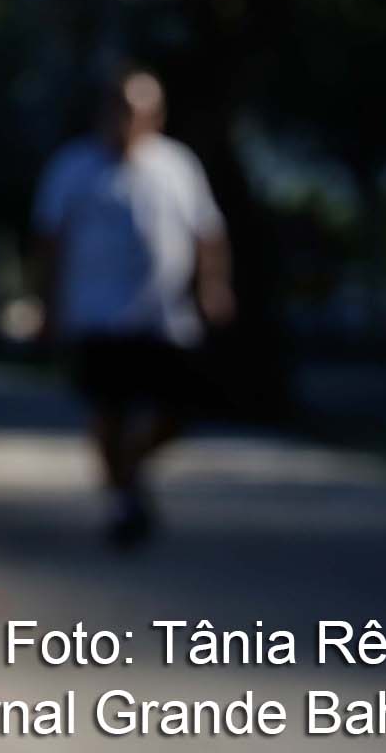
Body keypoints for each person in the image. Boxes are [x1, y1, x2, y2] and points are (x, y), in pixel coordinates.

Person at [32, 66, 234, 547]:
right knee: (109, 411)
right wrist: (47, 306)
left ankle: (130, 470)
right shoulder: (73, 167)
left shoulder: (178, 165)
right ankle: (124, 501)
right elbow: (48, 242)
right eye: (120, 109)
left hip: (163, 315)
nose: (126, 121)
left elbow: (208, 233)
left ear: (156, 117)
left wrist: (213, 287)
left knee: (180, 409)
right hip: (97, 315)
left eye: (138, 112)